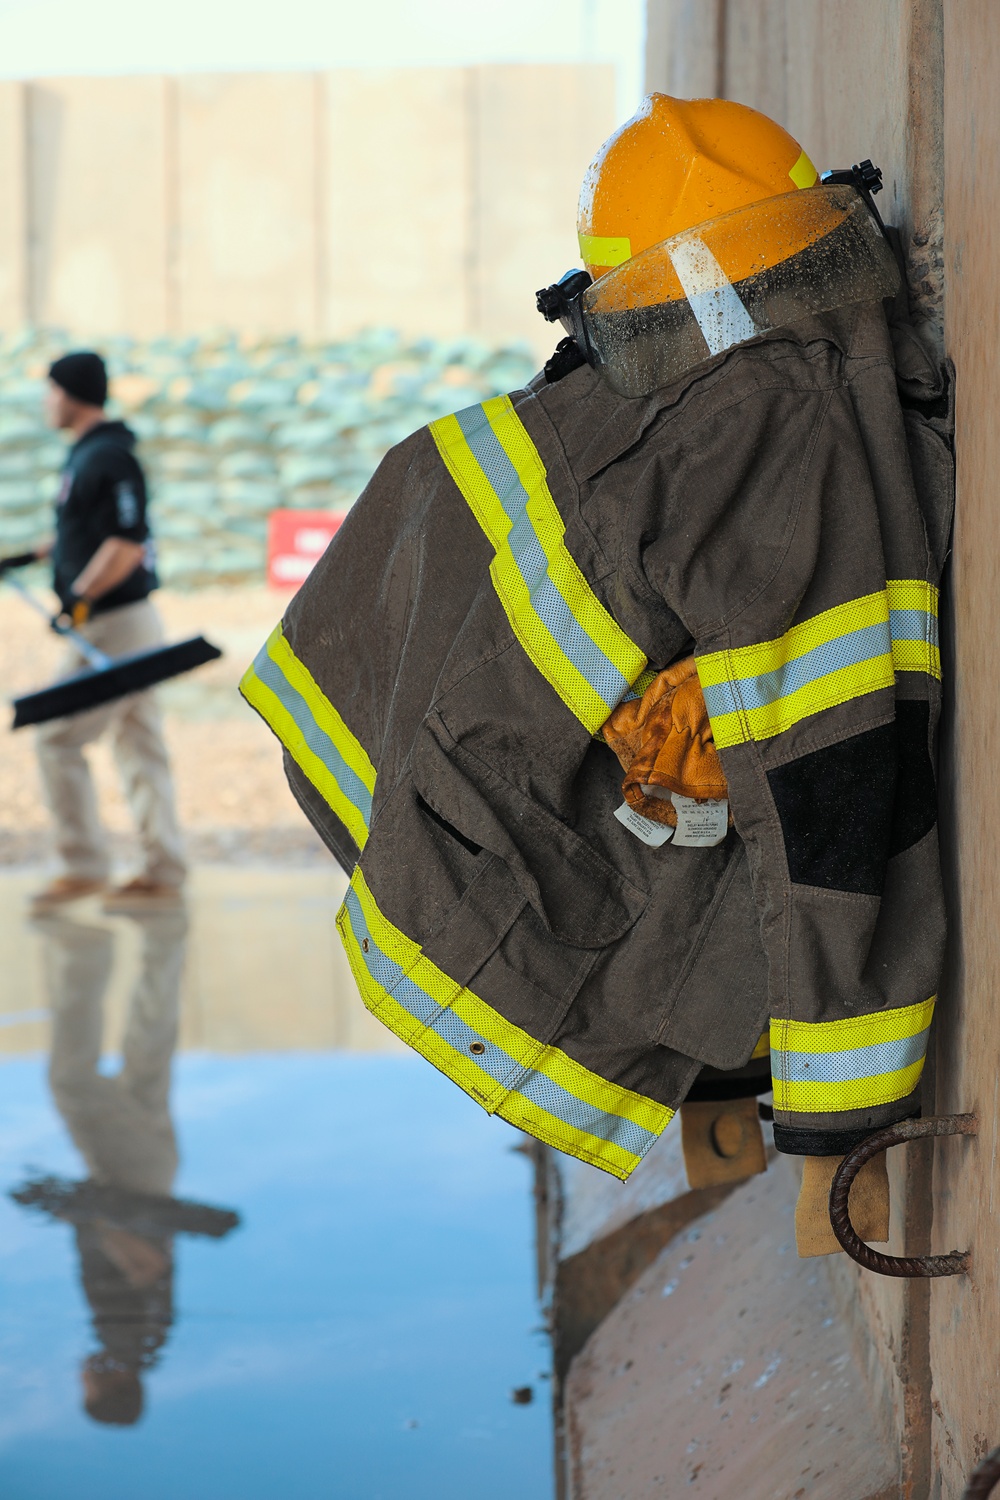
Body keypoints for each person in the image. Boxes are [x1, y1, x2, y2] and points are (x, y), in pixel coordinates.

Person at [241, 97, 953, 1258]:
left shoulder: (546, 417)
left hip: (412, 827)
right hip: (519, 888)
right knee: (741, 791)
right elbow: (831, 776)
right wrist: (840, 1124)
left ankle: (714, 1083)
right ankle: (721, 1071)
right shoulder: (782, 430)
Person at [12, 351, 186, 913]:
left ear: (70, 393)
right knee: (139, 742)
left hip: (115, 624)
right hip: (123, 622)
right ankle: (163, 868)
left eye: (51, 390)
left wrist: (78, 600)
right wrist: (24, 557)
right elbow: (86, 534)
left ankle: (82, 864)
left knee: (57, 737)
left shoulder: (108, 456)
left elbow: (126, 543)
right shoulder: (88, 456)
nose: (46, 401)